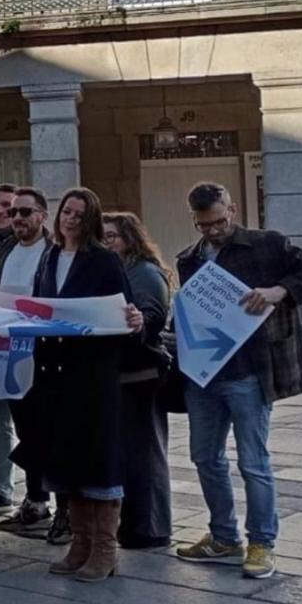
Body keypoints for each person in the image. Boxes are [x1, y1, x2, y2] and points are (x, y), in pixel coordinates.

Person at [172, 182, 302, 580]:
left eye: (219, 221)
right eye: (204, 225)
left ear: (232, 207)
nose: (213, 230)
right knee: (204, 458)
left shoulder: (268, 244)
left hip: (250, 370)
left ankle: (262, 541)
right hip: (206, 374)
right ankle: (224, 537)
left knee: (253, 461)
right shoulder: (189, 259)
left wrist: (279, 290)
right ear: (193, 220)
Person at [18, 188, 144, 583]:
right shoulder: (50, 257)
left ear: (91, 220)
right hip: (55, 374)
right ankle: (80, 543)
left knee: (98, 459)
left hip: (93, 376)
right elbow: (40, 307)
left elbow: (122, 313)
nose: (70, 218)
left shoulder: (103, 260)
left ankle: (105, 548)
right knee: (68, 459)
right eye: (66, 211)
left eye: (79, 213)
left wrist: (136, 321)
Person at [0, 187, 56, 534]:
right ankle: (35, 500)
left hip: (46, 352)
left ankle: (54, 502)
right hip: (8, 351)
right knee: (25, 428)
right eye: (13, 212)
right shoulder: (1, 250)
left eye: (25, 212)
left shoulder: (54, 252)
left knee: (47, 428)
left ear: (42, 216)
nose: (17, 218)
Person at [103, 211, 173, 550]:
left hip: (141, 375)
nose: (106, 243)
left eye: (112, 236)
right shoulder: (117, 271)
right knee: (127, 453)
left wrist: (137, 322)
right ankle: (132, 525)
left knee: (144, 453)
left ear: (130, 238)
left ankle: (149, 528)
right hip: (120, 375)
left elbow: (152, 316)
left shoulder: (143, 271)